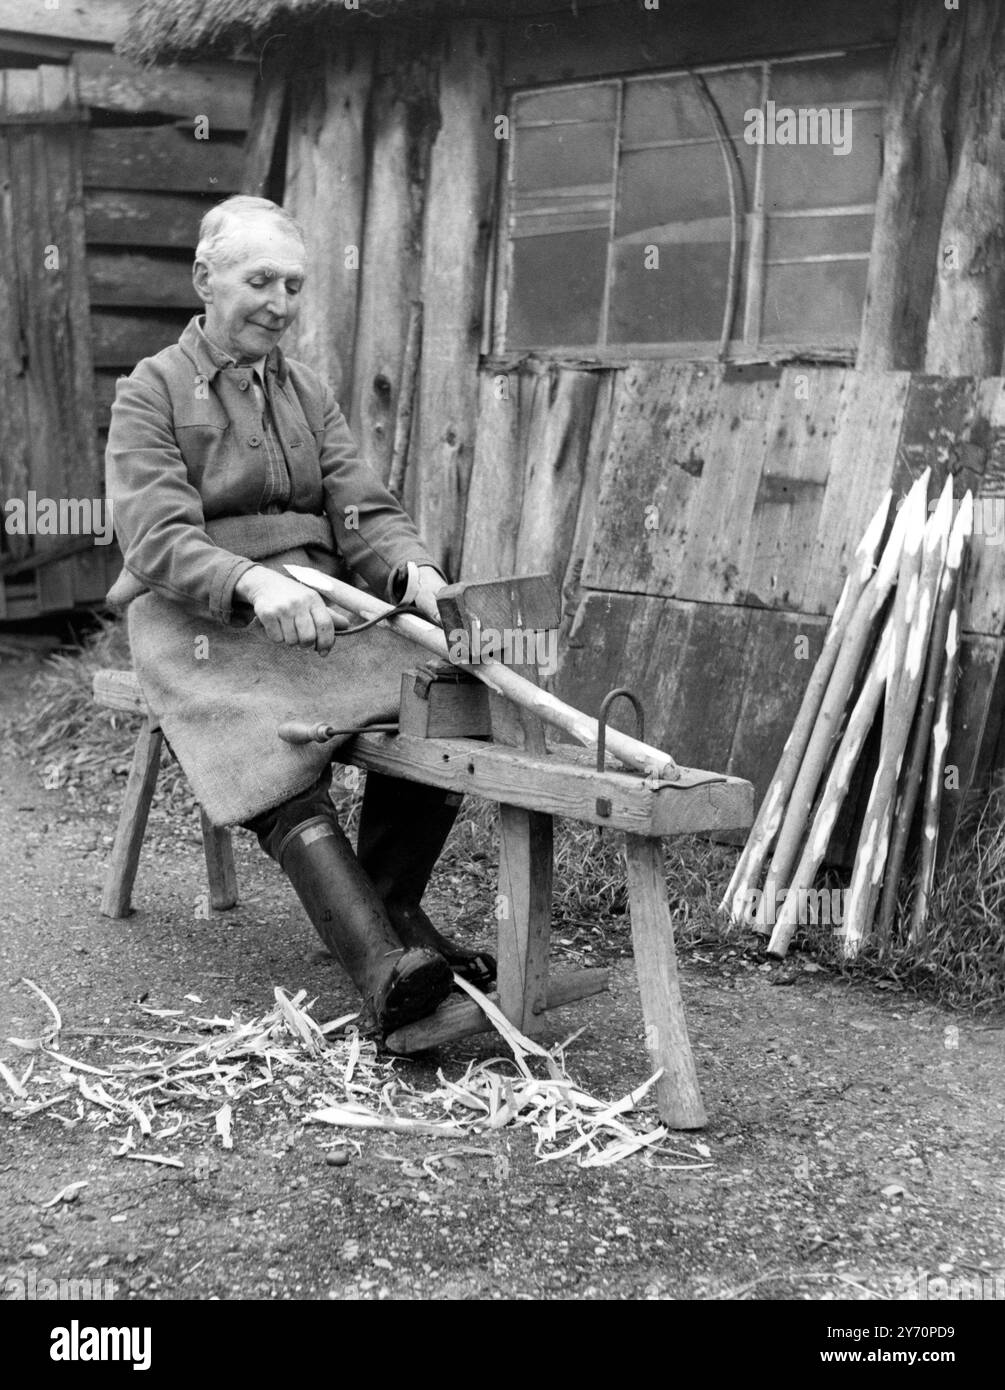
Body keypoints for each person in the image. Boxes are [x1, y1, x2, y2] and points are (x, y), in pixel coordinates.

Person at [105, 194, 493, 1036]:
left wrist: (412, 568)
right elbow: (156, 538)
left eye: (293, 285)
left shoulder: (307, 392)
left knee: (446, 691)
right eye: (259, 281)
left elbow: (361, 509)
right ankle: (381, 966)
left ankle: (393, 912)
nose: (279, 304)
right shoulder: (152, 390)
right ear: (205, 279)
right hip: (200, 623)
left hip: (322, 612)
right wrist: (250, 581)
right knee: (269, 732)